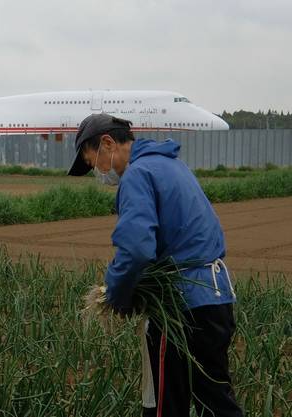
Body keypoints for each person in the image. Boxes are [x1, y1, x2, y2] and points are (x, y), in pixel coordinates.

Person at [68, 114, 243, 417]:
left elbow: (136, 249)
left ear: (108, 143)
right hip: (216, 298)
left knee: (165, 406)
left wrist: (117, 294)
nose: (99, 171)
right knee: (215, 402)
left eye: (94, 161)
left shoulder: (138, 174)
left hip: (179, 308)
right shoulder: (171, 165)